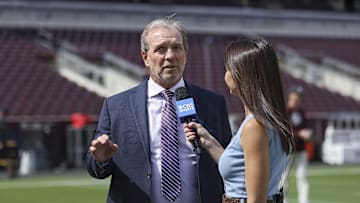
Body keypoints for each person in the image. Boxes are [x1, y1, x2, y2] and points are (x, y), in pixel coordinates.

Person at [86, 16, 232, 203]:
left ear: (185, 54)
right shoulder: (116, 107)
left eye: (176, 48)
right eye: (161, 49)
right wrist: (100, 159)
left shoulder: (212, 103)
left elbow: (228, 163)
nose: (170, 56)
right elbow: (95, 168)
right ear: (145, 57)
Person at [184, 36, 295, 203]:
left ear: (242, 74)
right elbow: (241, 170)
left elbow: (255, 199)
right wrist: (208, 141)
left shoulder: (254, 126)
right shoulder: (268, 121)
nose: (226, 74)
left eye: (228, 68)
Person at [285, 86, 312, 203]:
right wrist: (299, 133)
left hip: (300, 150)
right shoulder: (285, 111)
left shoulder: (301, 112)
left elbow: (305, 128)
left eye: (299, 96)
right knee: (284, 180)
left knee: (302, 178)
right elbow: (284, 130)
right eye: (296, 95)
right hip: (287, 151)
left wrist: (308, 135)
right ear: (290, 96)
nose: (298, 98)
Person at [0, 108, 19, 178]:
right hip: (2, 144)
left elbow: (8, 136)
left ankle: (10, 174)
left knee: (10, 158)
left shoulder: (6, 124)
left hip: (5, 145)